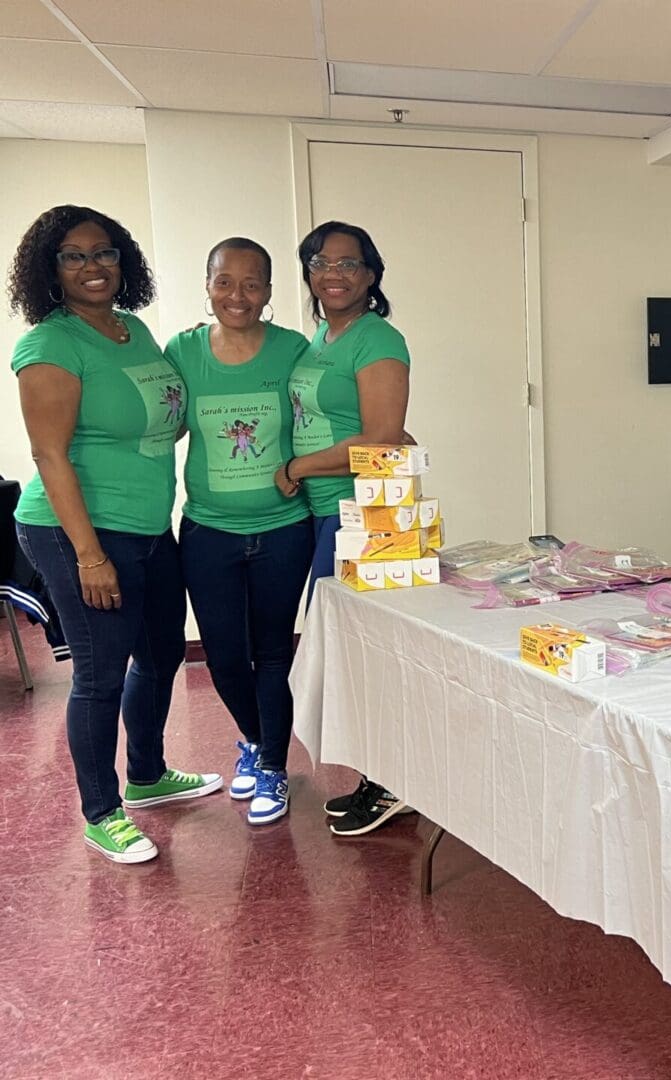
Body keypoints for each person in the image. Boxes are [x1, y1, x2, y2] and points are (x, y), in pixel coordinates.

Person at [6, 205, 220, 864]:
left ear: (123, 260)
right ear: (51, 270)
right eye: (73, 256)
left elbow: (162, 421)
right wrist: (90, 554)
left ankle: (148, 774)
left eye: (104, 252)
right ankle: (101, 811)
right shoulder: (50, 345)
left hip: (150, 525)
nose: (92, 266)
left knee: (158, 658)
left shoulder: (133, 331)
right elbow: (49, 456)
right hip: (81, 532)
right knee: (99, 678)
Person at [167, 238, 315, 826]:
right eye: (225, 281)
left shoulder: (293, 350)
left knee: (274, 651)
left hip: (283, 528)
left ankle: (273, 767)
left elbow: (320, 415)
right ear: (207, 285)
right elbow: (162, 423)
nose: (238, 295)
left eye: (252, 284)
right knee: (224, 656)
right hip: (209, 531)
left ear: (270, 293)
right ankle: (257, 741)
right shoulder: (182, 351)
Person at [280, 221, 412, 837]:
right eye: (320, 262)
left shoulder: (377, 339)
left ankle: (391, 783)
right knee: (344, 650)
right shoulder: (320, 339)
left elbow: (383, 438)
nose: (333, 273)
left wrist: (299, 466)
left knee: (363, 653)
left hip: (365, 514)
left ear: (372, 275)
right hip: (323, 511)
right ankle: (379, 776)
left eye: (349, 263)